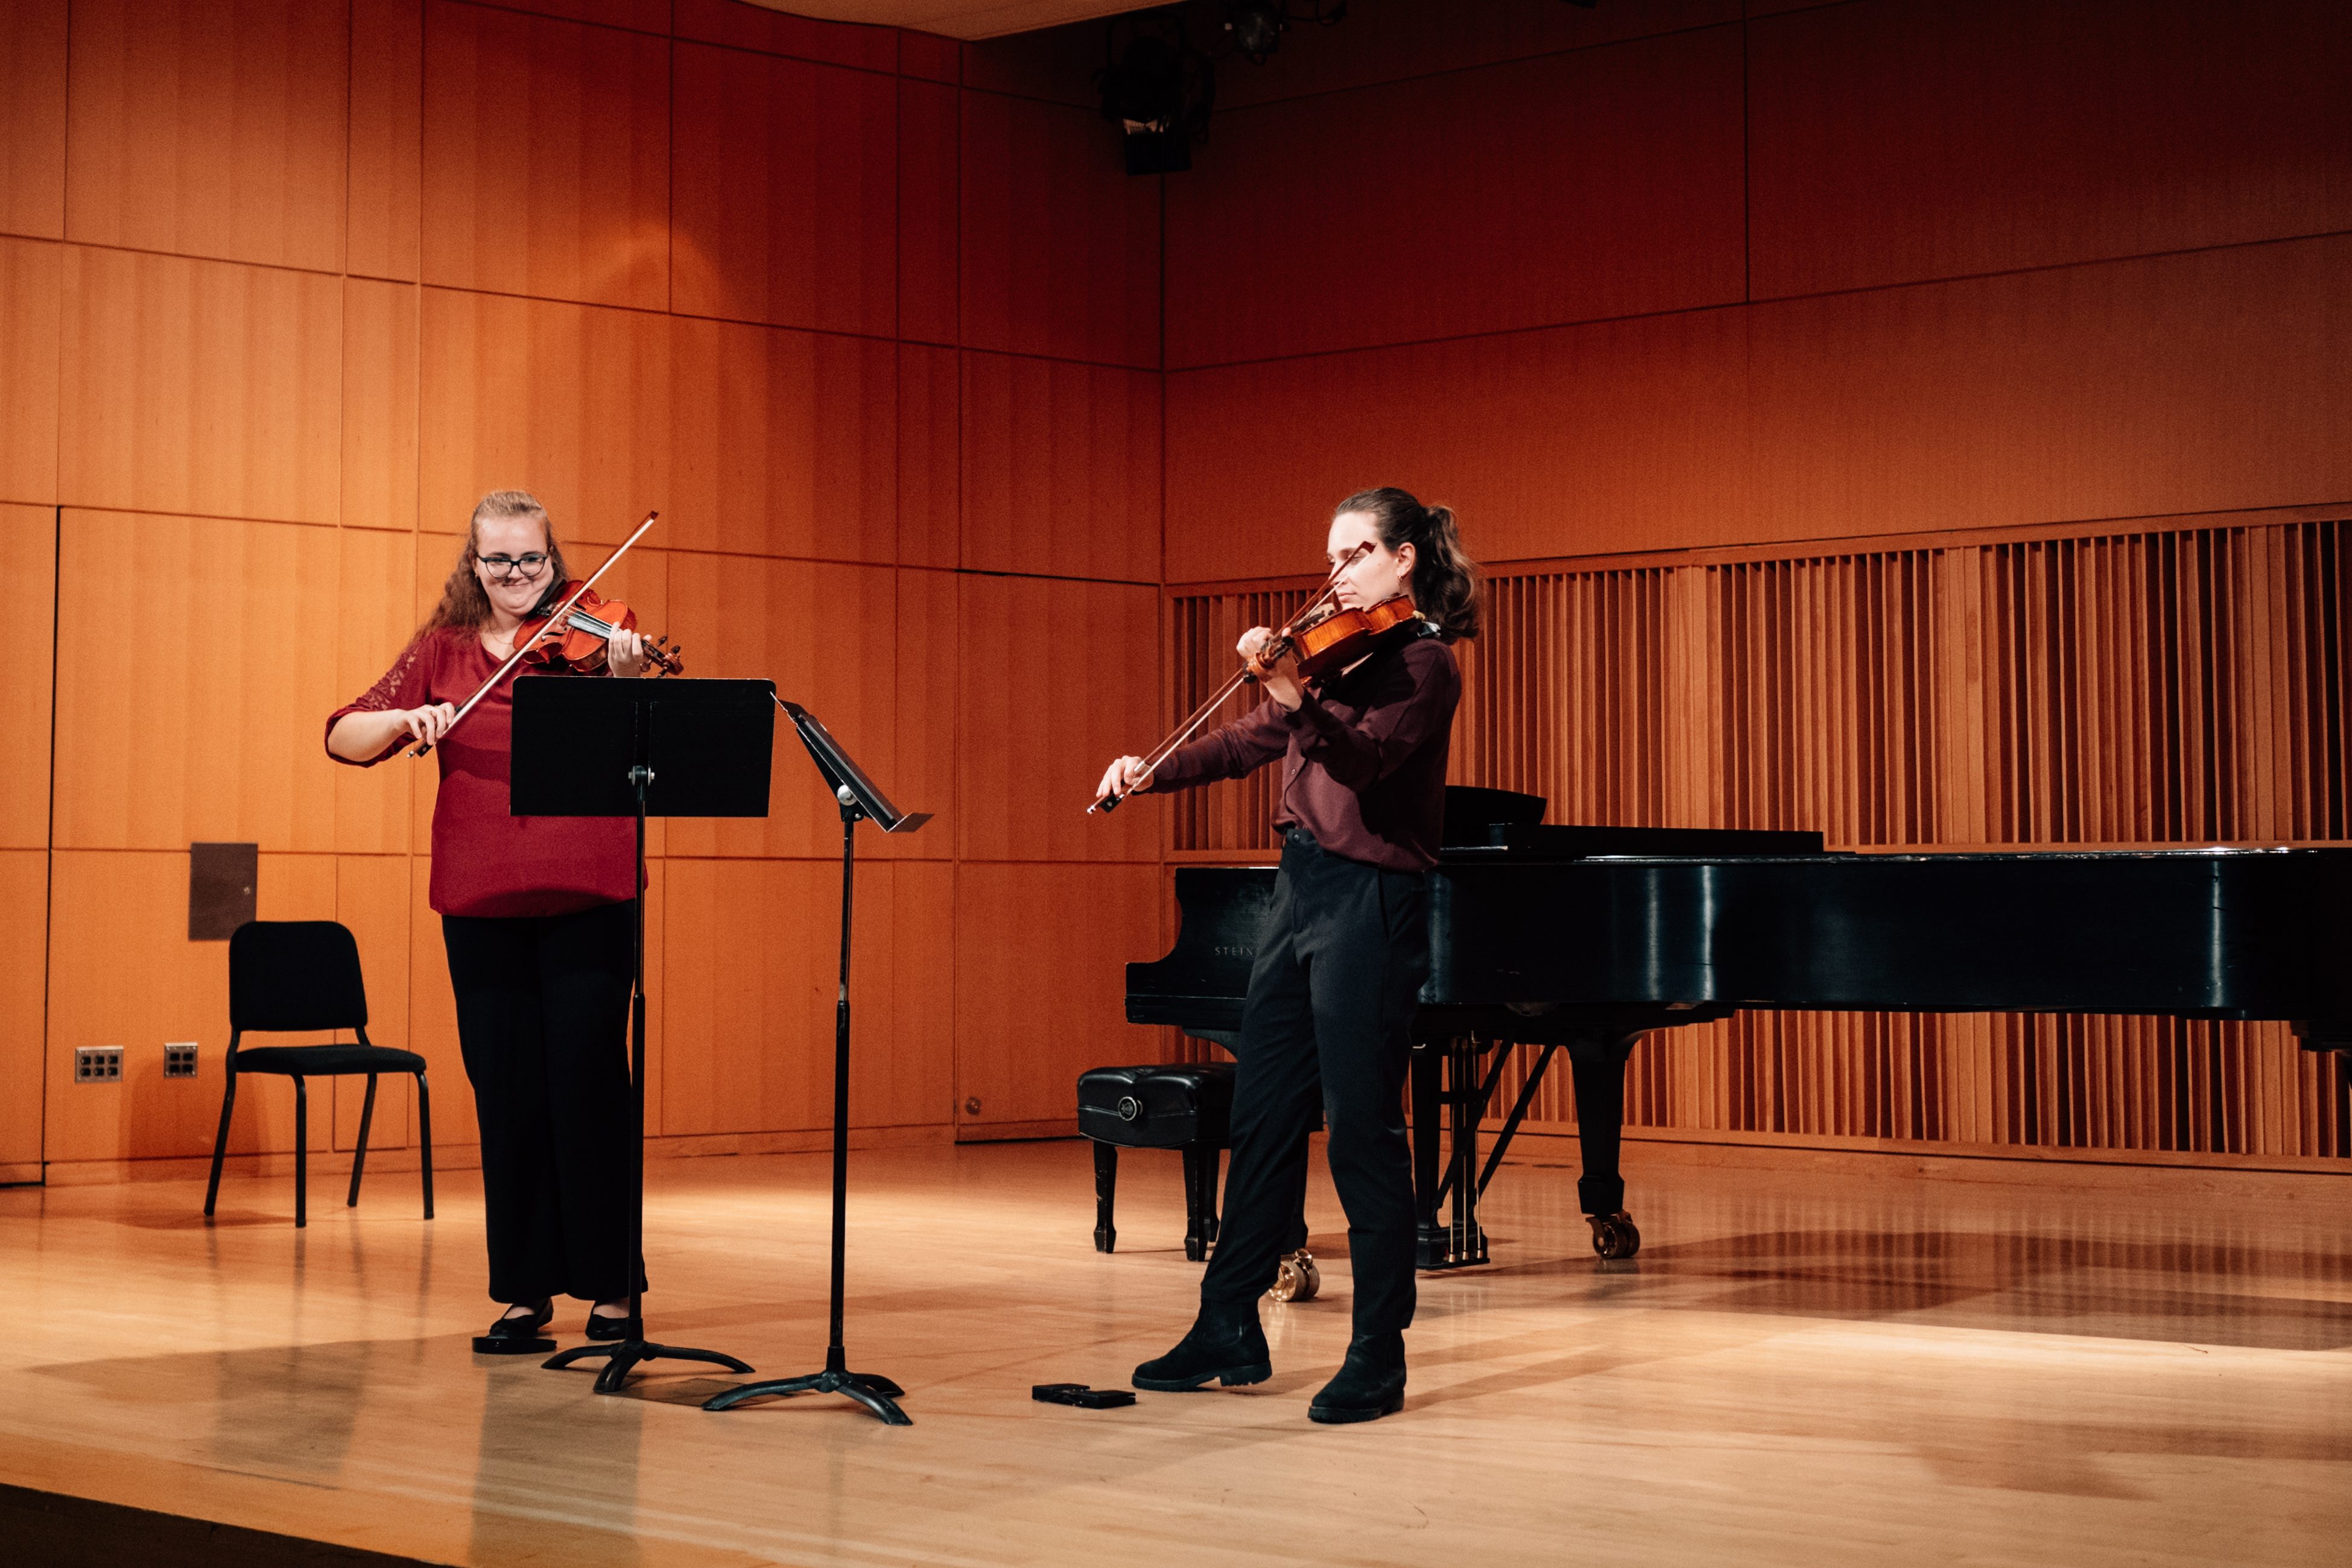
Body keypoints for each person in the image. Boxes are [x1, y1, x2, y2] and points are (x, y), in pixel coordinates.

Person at [1095, 486, 1479, 1424]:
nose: (1336, 574)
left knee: (1361, 1129)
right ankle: (1227, 1323)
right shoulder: (1337, 661)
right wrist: (1152, 771)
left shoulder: (1422, 663)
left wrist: (1295, 695)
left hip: (1371, 902)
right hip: (1298, 892)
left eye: (1357, 554)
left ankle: (1378, 1353)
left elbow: (1360, 762)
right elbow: (1242, 743)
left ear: (1404, 560)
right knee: (1262, 1117)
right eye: (1332, 555)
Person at [326, 490, 653, 1351]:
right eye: (498, 560)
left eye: (531, 559)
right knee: (505, 1091)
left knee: (588, 1085)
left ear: (553, 557)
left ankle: (613, 1287)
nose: (516, 575)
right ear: (473, 564)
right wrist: (406, 717)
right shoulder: (442, 648)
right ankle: (524, 1290)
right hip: (479, 900)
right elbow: (343, 734)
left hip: (589, 892)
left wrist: (624, 678)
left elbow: (640, 739)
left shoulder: (593, 634)